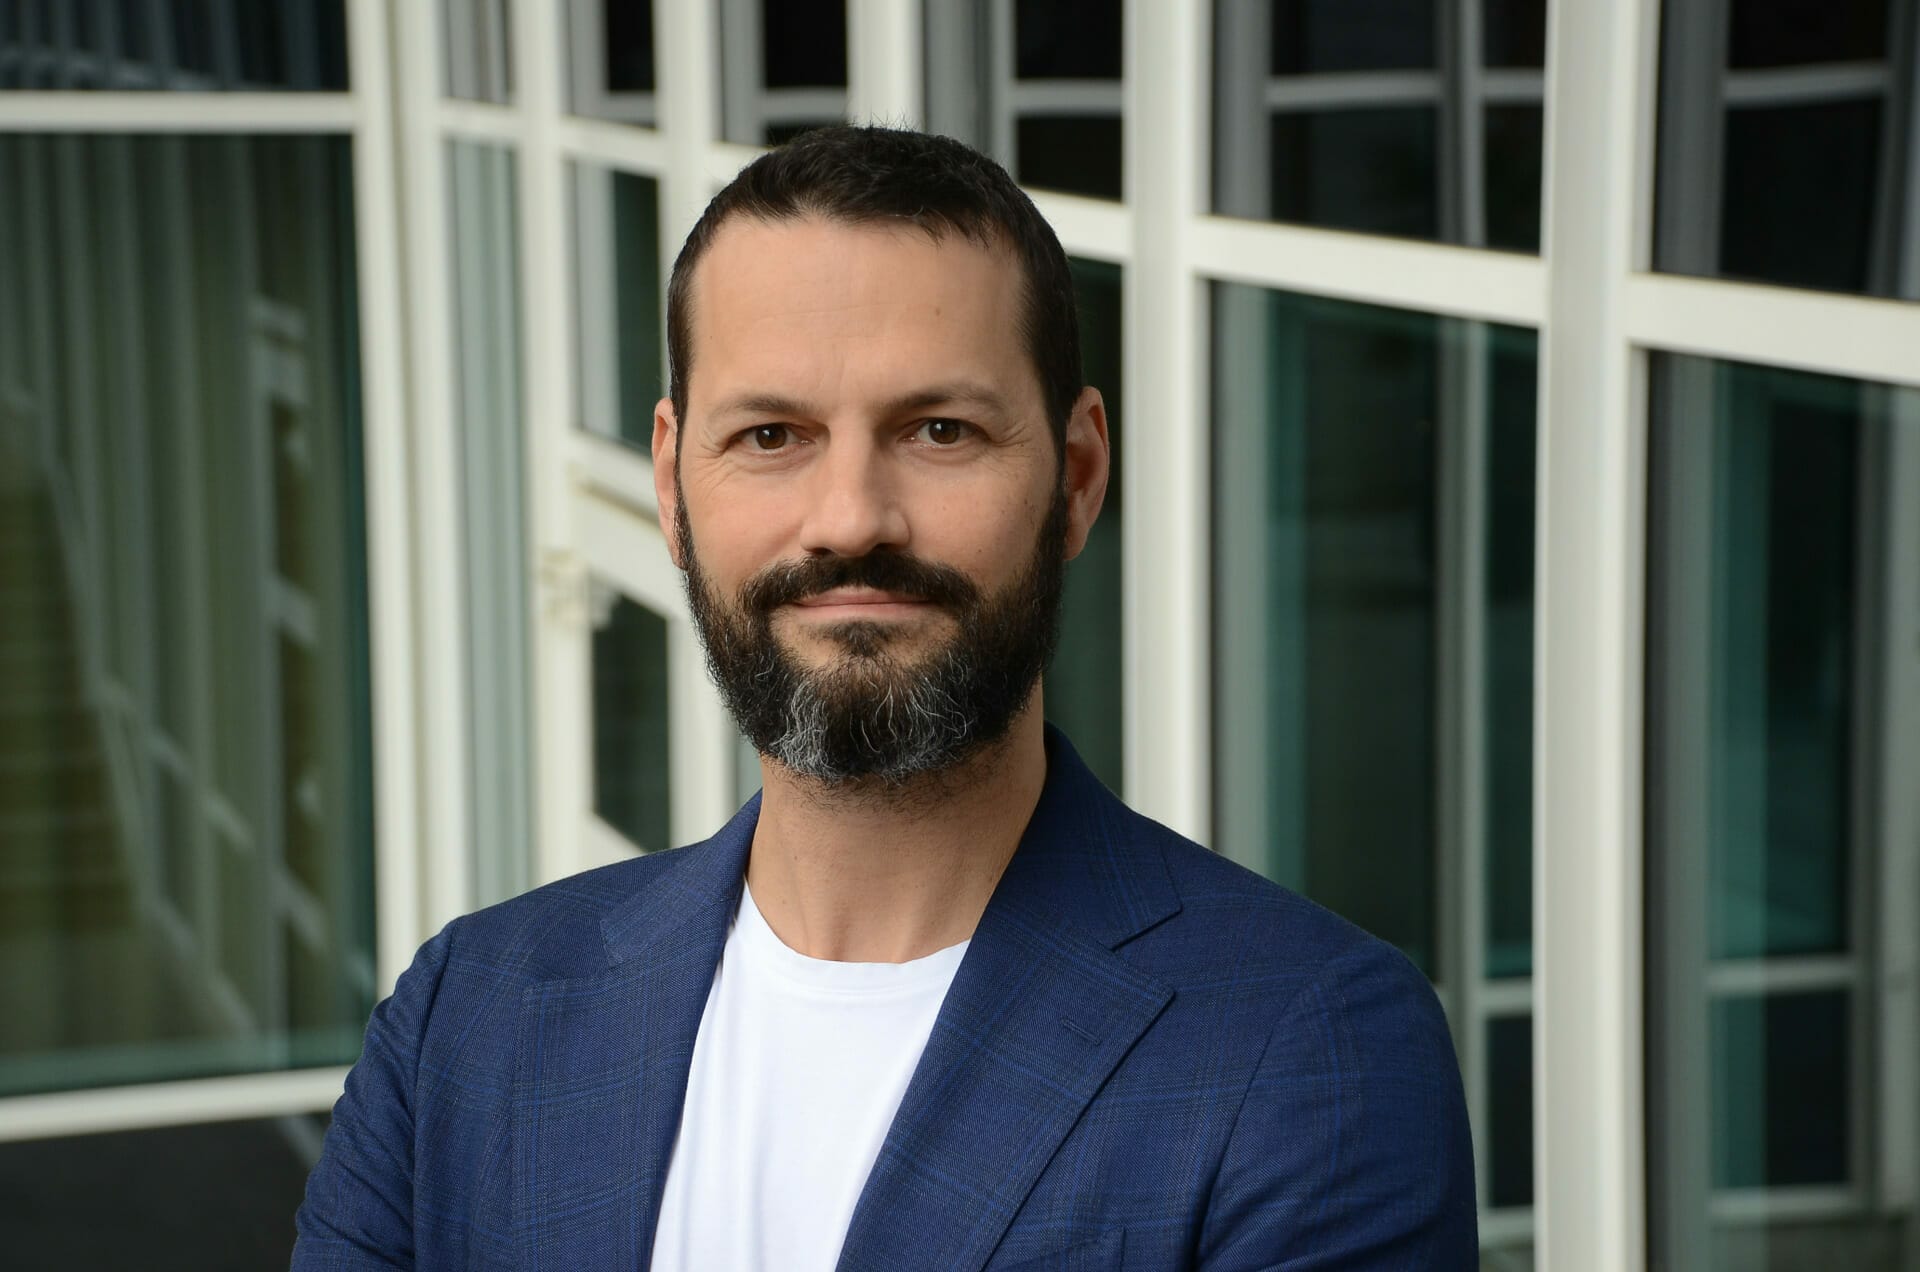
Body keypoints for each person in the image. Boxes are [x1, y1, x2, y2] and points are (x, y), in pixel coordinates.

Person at [293, 125, 1475, 1270]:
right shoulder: (468, 1013)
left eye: (939, 430)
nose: (852, 517)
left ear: (1077, 478)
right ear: (670, 487)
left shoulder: (1308, 1046)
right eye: (771, 436)